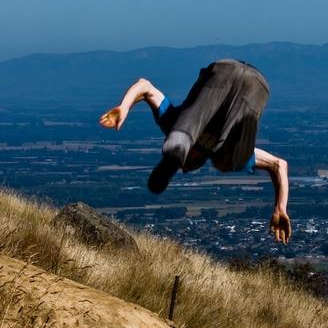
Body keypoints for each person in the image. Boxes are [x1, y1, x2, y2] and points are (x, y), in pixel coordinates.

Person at [99, 59, 291, 243]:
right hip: (253, 86)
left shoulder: (172, 121)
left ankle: (180, 143)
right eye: (184, 164)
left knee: (191, 130)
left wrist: (124, 107)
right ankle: (184, 142)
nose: (183, 169)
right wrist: (280, 208)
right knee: (227, 158)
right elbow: (278, 165)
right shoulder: (218, 150)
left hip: (225, 75)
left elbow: (144, 85)